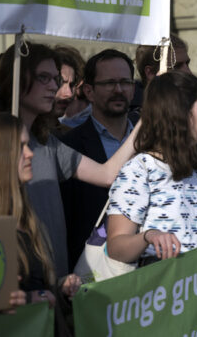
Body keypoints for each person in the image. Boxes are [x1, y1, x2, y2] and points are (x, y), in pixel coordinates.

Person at [0, 43, 139, 277]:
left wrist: (146, 123)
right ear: (16, 79)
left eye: (56, 79)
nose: (55, 87)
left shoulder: (48, 142)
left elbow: (108, 175)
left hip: (57, 283)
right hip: (18, 282)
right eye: (44, 78)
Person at [106, 71, 197, 266]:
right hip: (159, 292)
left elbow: (190, 246)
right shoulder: (139, 170)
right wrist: (149, 236)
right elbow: (116, 247)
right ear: (180, 114)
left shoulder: (193, 169)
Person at [0, 113, 76, 334]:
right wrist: (27, 299)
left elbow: (37, 288)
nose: (30, 154)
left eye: (28, 145)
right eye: (21, 147)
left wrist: (58, 289)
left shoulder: (24, 214)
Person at [60, 49, 136, 271]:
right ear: (89, 91)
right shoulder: (69, 146)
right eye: (109, 83)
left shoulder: (154, 141)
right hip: (91, 274)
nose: (119, 90)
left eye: (125, 82)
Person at [129, 35, 191, 124]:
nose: (188, 73)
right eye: (176, 66)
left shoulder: (194, 117)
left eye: (187, 64)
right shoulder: (134, 125)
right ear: (150, 73)